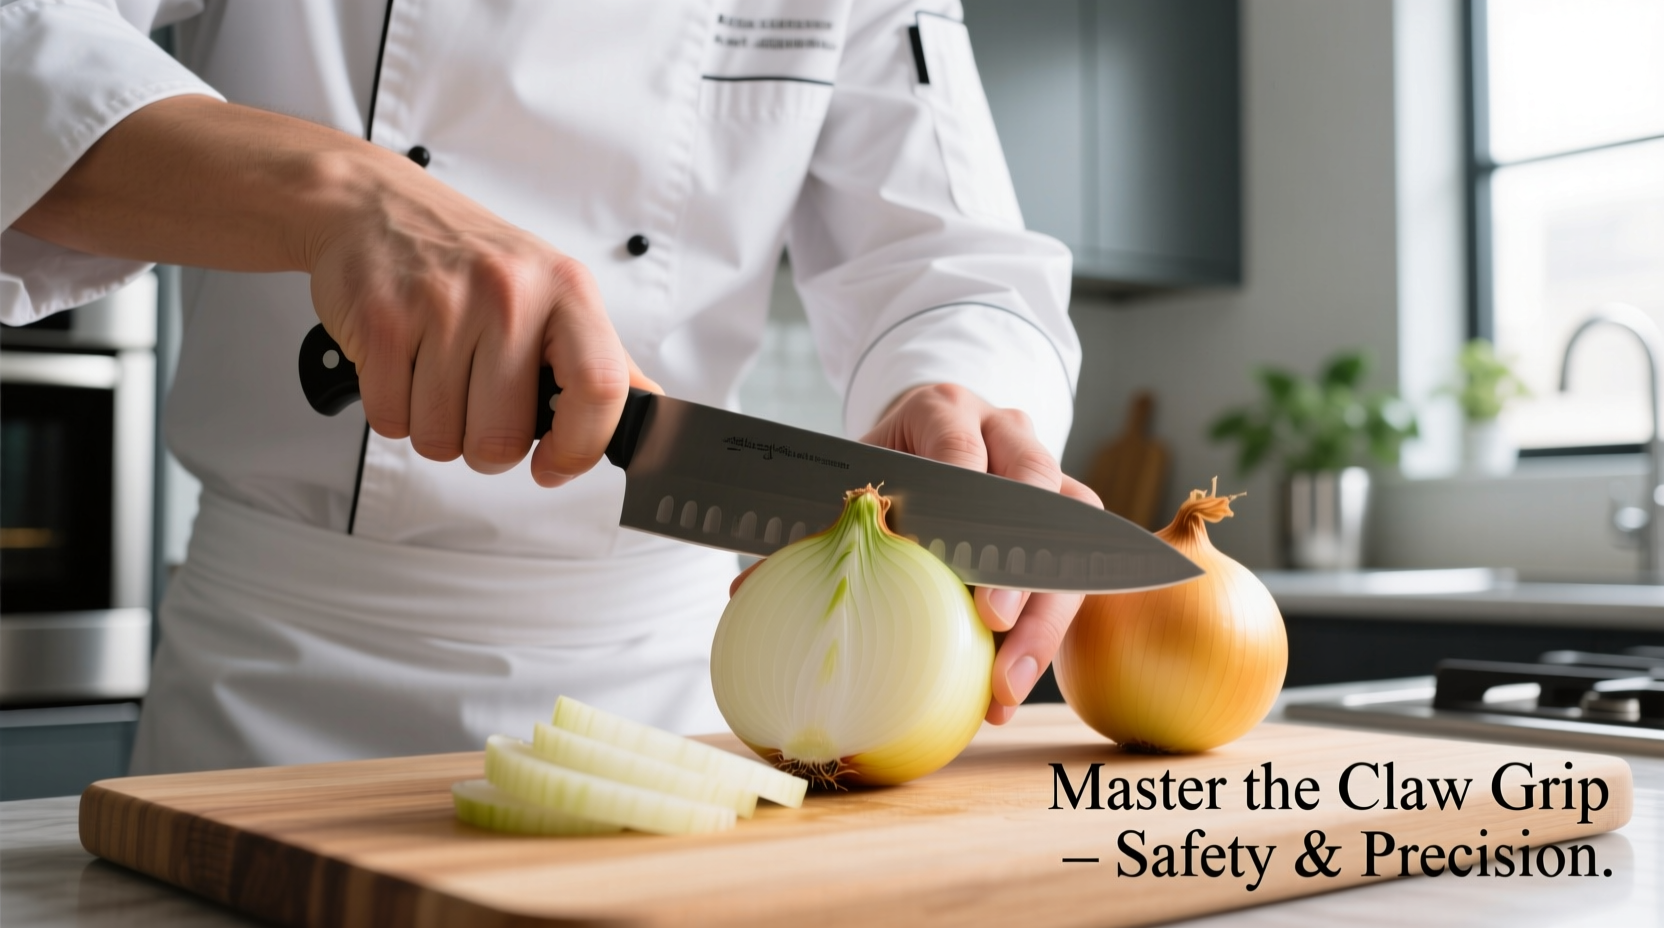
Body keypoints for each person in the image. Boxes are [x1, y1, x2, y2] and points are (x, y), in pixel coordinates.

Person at [1, 0, 1094, 774]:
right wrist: (345, 192)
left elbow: (943, 253)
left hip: (668, 711)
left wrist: (963, 390)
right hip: (275, 688)